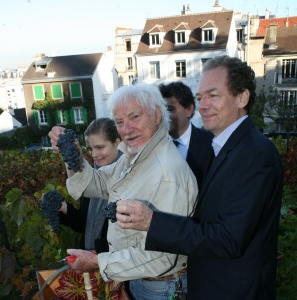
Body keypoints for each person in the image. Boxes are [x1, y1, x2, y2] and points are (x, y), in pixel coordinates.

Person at [116, 56, 284, 300]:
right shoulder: (229, 146)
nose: (203, 105)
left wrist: (152, 222)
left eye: (213, 95)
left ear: (242, 98)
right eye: (200, 97)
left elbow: (226, 239)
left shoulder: (253, 154)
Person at [48, 83, 198, 300]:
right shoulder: (134, 157)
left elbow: (162, 257)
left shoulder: (168, 174)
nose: (126, 129)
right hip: (140, 280)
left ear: (156, 115)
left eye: (134, 117)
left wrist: (97, 263)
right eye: (119, 122)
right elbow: (96, 183)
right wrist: (72, 154)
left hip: (161, 289)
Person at [58, 118, 122, 252]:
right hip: (91, 261)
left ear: (117, 142)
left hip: (116, 264)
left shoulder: (127, 178)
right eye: (91, 149)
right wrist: (65, 209)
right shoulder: (91, 177)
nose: (94, 155)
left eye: (99, 147)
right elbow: (84, 225)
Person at [159, 81, 213, 189]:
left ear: (189, 109)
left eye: (170, 110)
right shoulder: (154, 145)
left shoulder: (211, 144)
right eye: (162, 110)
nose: (164, 116)